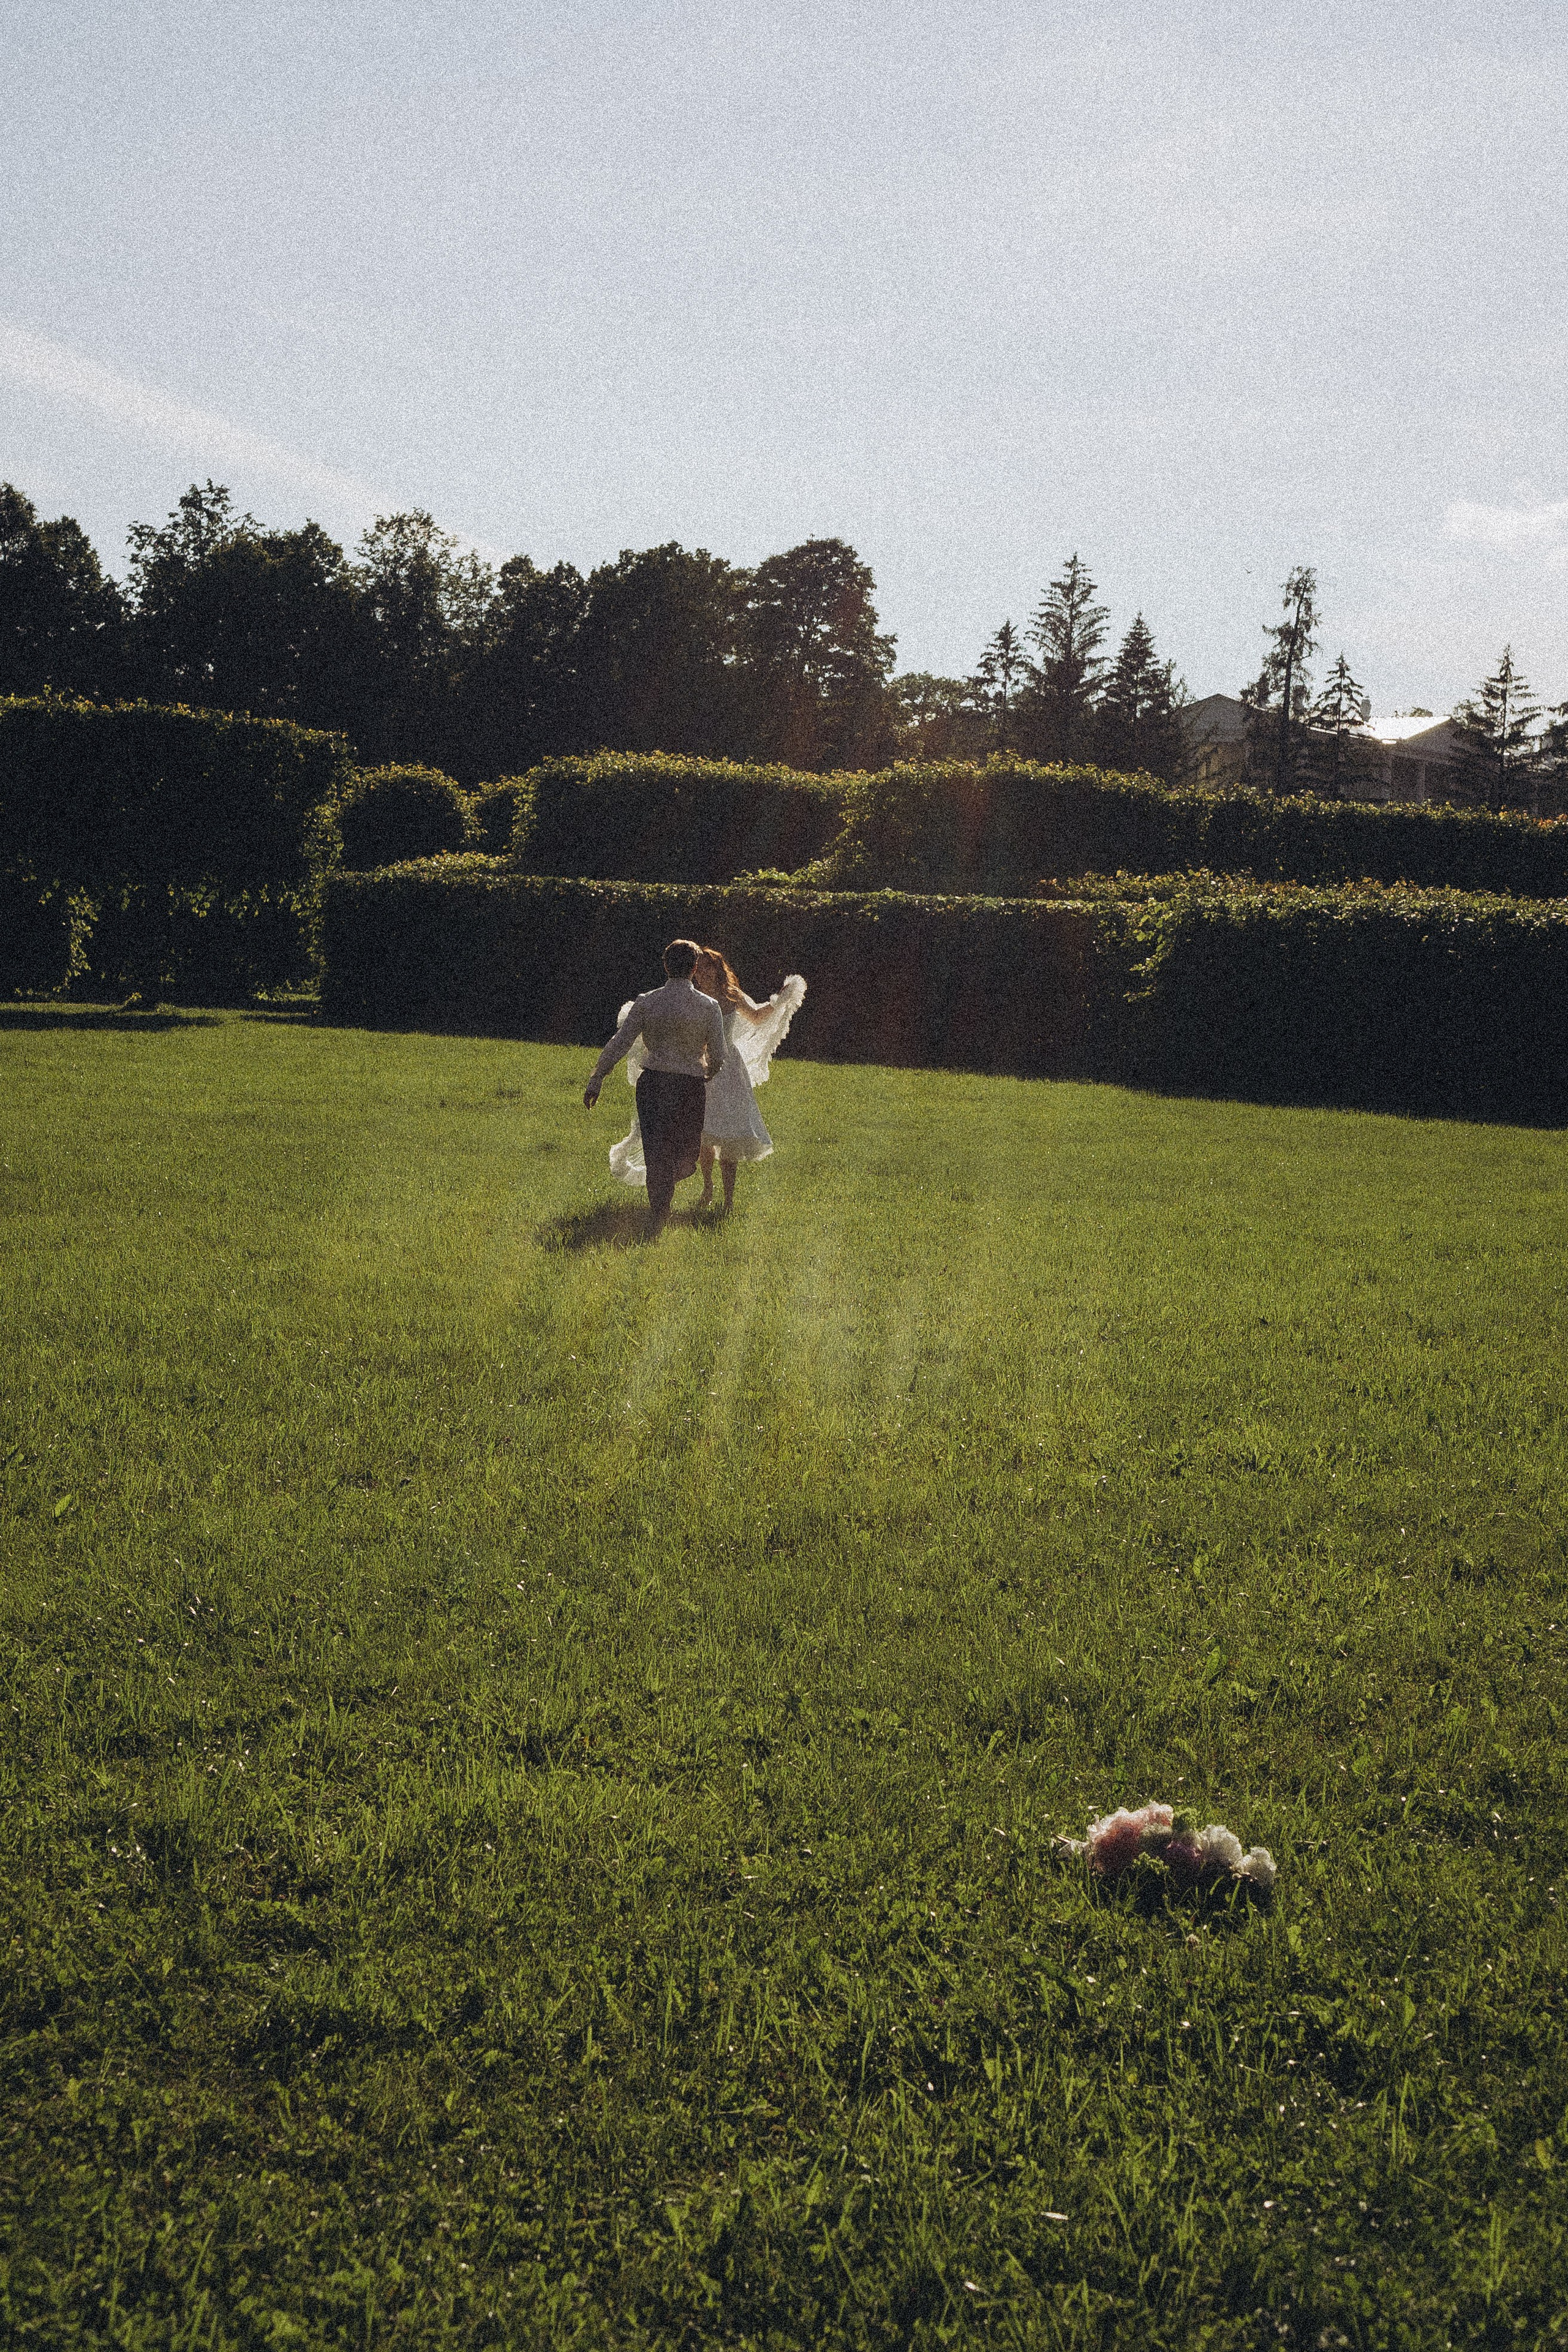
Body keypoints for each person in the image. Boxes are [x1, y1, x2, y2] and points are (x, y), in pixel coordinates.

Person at [582, 939, 726, 1237]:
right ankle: (658, 1213)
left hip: (655, 1085)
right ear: (695, 968)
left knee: (658, 1150)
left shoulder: (647, 1002)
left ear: (665, 965)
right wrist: (708, 1073)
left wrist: (597, 1078)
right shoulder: (708, 1006)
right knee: (685, 1154)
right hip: (688, 1085)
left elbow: (619, 1042)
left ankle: (660, 1192)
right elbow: (719, 1053)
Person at [692, 947, 807, 1212]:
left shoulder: (731, 995)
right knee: (704, 1133)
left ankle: (729, 1201)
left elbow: (756, 1016)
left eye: (708, 966)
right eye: (699, 967)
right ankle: (707, 1187)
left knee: (730, 1135)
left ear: (718, 969)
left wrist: (781, 1000)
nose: (703, 972)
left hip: (729, 1069)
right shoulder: (694, 997)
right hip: (702, 1065)